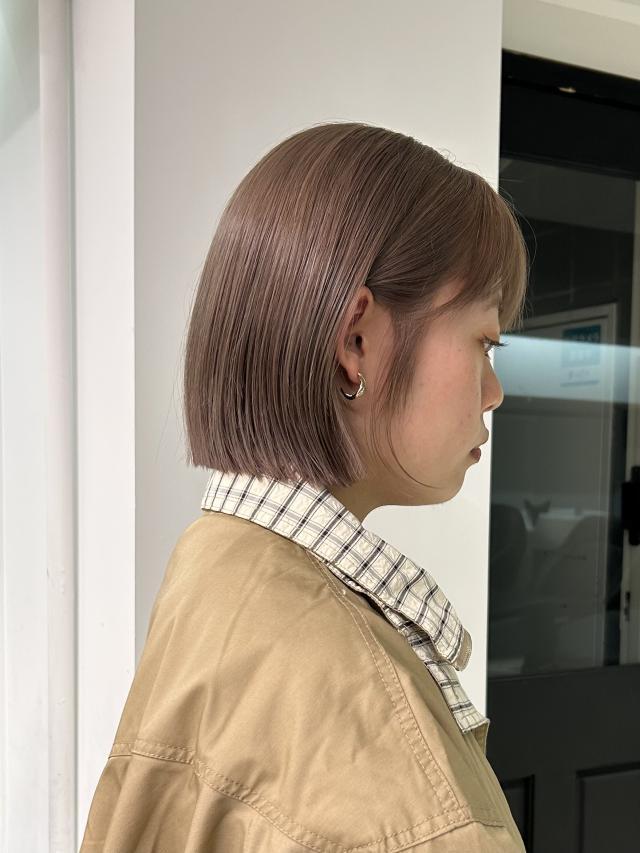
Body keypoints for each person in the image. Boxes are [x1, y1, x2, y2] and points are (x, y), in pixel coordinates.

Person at [80, 121, 529, 851]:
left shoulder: (217, 561)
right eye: (484, 341)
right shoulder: (381, 753)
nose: (494, 390)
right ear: (357, 341)